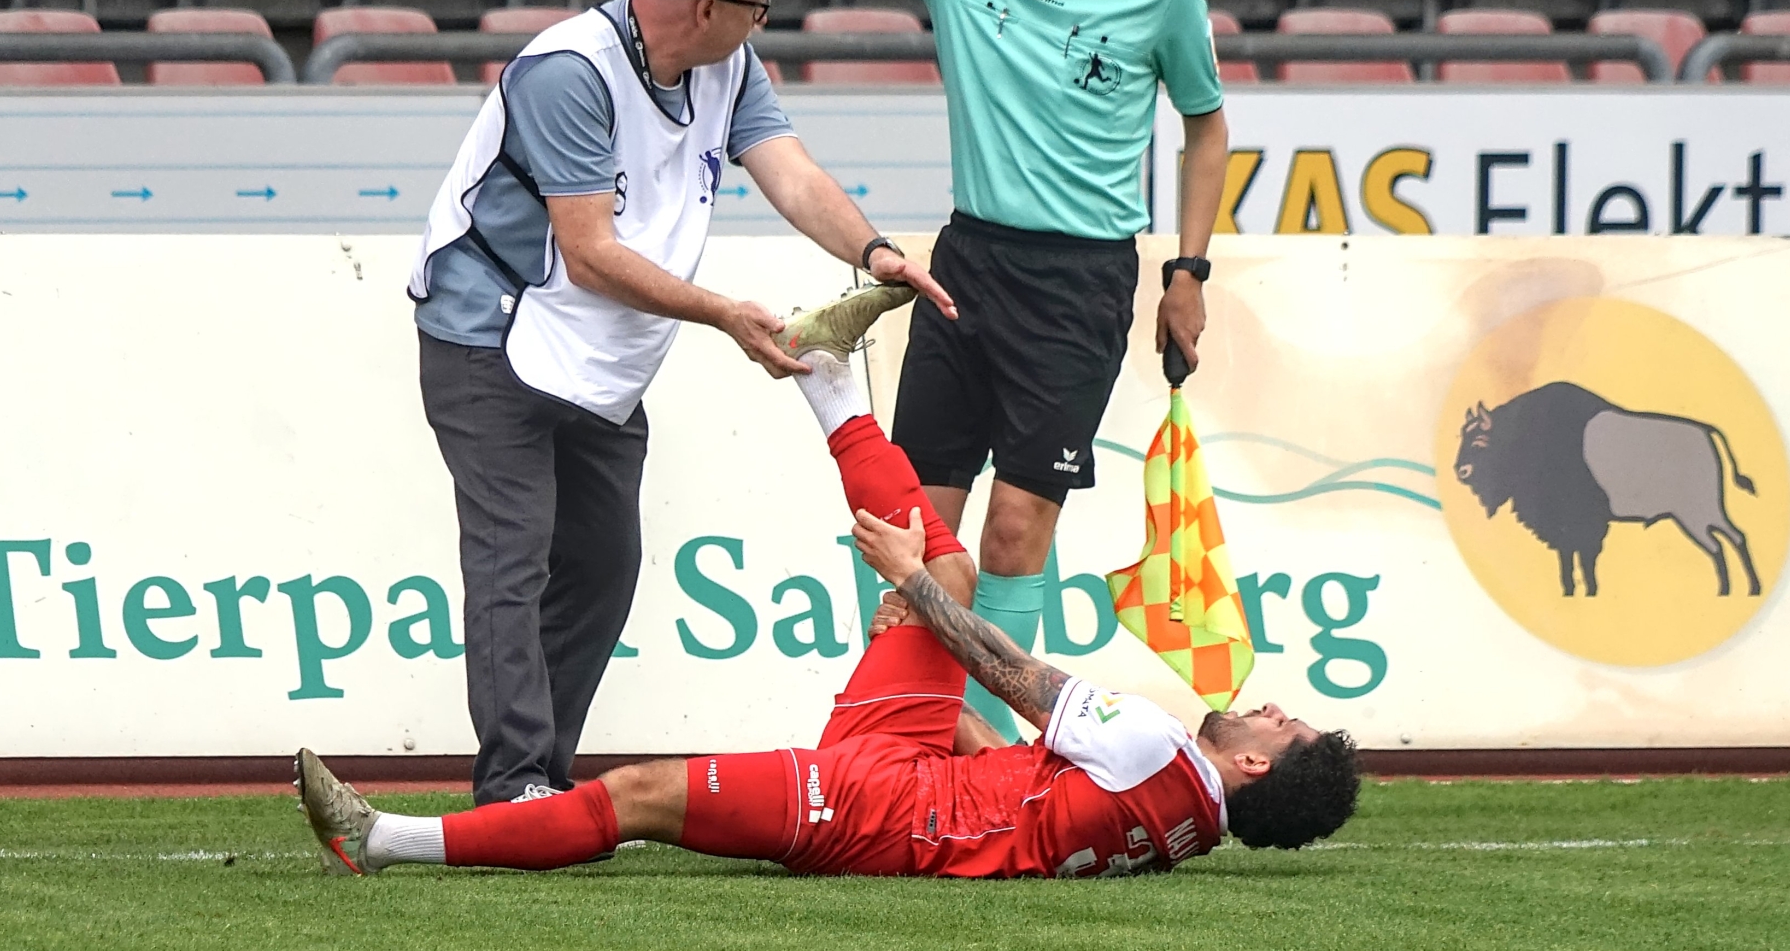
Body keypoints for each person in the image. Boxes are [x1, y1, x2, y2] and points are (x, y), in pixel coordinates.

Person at [300, 298, 1358, 878]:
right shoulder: (1186, 825)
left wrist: (918, 605)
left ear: (1258, 762)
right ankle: (824, 374)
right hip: (925, 775)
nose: (1269, 702)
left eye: (1284, 722)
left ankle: (386, 837)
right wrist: (933, 673)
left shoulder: (1160, 745)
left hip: (882, 811)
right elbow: (1030, 784)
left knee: (640, 796)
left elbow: (1011, 668)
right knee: (950, 566)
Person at [601, 0, 1233, 741]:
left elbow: (1206, 122)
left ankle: (992, 748)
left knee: (1017, 533)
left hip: (1083, 284)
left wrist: (1190, 270)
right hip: (968, 264)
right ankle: (911, 735)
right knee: (911, 524)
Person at [410, 0, 954, 806]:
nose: (762, 21)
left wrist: (873, 253)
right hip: (489, 336)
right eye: (759, 4)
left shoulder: (727, 64)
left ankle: (542, 775)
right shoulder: (566, 72)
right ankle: (513, 789)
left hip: (603, 360)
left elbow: (791, 171)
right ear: (710, 6)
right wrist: (724, 316)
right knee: (514, 556)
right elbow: (587, 253)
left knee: (604, 563)